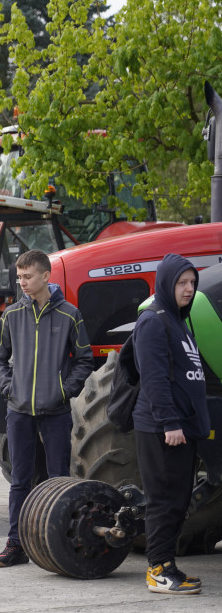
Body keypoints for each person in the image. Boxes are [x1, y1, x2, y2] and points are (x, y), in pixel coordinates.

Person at [0, 249, 94, 567]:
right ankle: (16, 545)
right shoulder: (11, 315)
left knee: (57, 477)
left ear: (46, 276)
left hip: (56, 411)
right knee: (20, 480)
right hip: (19, 411)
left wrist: (64, 391)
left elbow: (85, 359)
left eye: (28, 276)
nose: (22, 282)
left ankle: (56, 542)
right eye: (19, 276)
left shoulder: (69, 315)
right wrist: (10, 389)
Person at [132, 254, 209, 594]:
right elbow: (154, 379)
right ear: (165, 283)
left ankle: (169, 566)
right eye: (182, 283)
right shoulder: (154, 322)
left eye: (192, 283)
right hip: (163, 428)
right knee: (164, 500)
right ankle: (157, 570)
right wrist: (169, 422)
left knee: (178, 500)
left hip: (182, 428)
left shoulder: (179, 321)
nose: (189, 289)